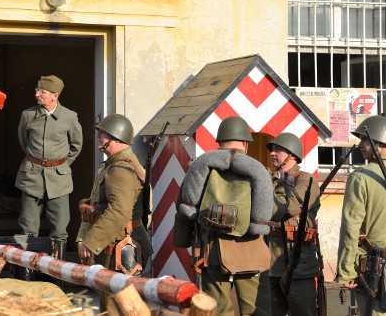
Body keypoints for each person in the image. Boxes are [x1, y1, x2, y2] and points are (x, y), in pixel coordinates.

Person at [174, 116, 273, 316]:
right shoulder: (260, 172)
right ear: (245, 142)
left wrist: (184, 242)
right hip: (251, 251)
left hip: (214, 251)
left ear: (218, 142)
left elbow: (184, 209)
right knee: (256, 310)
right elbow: (271, 210)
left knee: (218, 310)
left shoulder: (201, 167)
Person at [76, 113, 153, 313]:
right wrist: (83, 238)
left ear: (116, 137)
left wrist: (91, 242)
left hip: (122, 246)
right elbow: (94, 205)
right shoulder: (109, 166)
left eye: (102, 133)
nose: (98, 137)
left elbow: (119, 212)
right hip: (113, 242)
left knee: (116, 308)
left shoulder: (120, 169)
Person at [16, 75, 83, 259]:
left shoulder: (69, 117)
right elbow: (24, 142)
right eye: (37, 90)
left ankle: (57, 274)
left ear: (55, 95)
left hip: (59, 179)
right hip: (31, 176)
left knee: (60, 228)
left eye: (42, 91)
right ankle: (28, 272)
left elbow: (76, 146)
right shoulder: (27, 115)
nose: (37, 94)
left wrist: (60, 165)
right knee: (27, 227)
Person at [336, 115, 386, 315]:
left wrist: (345, 272)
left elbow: (350, 229)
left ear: (380, 142)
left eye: (365, 140)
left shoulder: (360, 176)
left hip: (375, 272)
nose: (360, 145)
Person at [266, 133, 320, 316]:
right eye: (272, 150)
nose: (273, 153)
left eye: (278, 150)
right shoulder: (270, 180)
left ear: (292, 155)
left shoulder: (306, 180)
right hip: (269, 260)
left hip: (297, 259)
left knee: (304, 312)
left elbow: (290, 207)